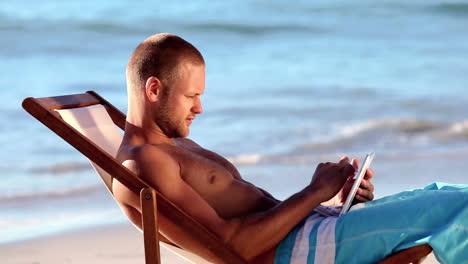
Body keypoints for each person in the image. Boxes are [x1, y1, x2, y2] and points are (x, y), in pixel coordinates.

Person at [115, 33, 468, 264]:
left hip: (311, 231)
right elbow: (234, 246)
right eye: (192, 96)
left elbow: (250, 218)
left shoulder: (174, 147)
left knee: (445, 193)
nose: (200, 108)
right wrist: (314, 192)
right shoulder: (143, 165)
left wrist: (332, 199)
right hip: (304, 250)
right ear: (154, 90)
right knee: (460, 208)